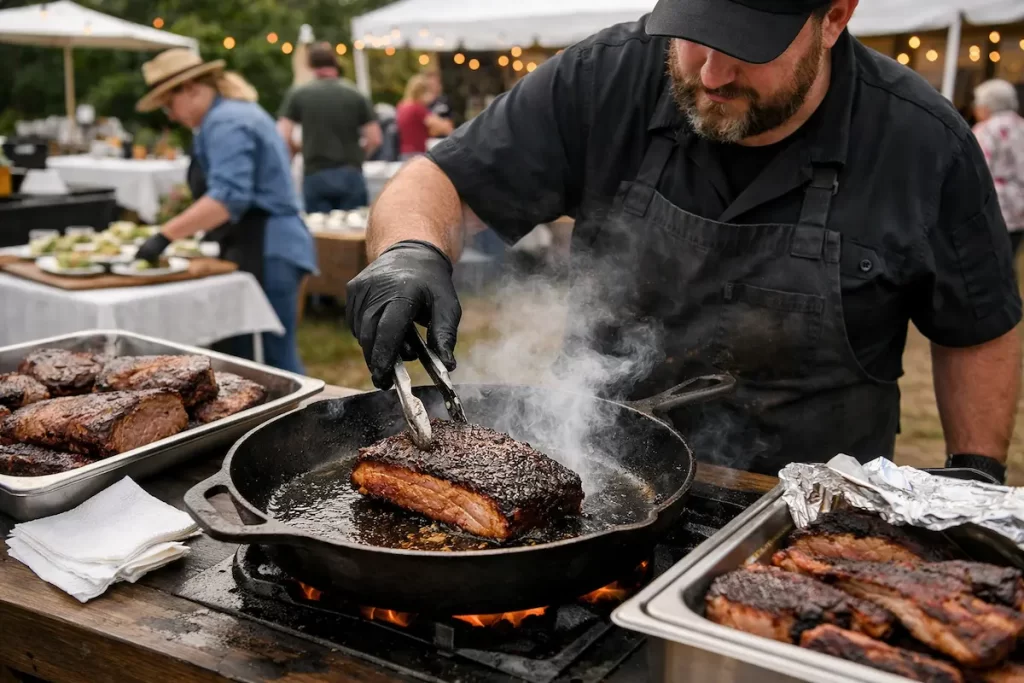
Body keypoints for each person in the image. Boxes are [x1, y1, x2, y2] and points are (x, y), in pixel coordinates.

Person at [346, 0, 1023, 483]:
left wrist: (975, 472)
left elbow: (978, 324)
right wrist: (411, 250)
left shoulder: (924, 143)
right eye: (695, 33)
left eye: (748, 47)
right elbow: (438, 180)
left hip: (805, 506)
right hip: (601, 477)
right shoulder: (607, 76)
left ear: (835, 17)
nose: (710, 74)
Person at [135, 49, 317, 375]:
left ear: (191, 88)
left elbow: (227, 198)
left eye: (168, 104)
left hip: (269, 246)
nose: (171, 115)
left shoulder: (227, 121)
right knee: (246, 358)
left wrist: (163, 236)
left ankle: (307, 420)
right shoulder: (230, 115)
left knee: (277, 360)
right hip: (262, 243)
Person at [277, 43, 382, 212]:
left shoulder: (299, 93)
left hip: (315, 172)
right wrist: (358, 155)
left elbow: (282, 135)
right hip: (350, 172)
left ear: (310, 65)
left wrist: (297, 149)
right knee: (353, 232)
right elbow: (374, 138)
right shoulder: (355, 93)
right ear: (335, 62)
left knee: (321, 233)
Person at [972, 79, 1024, 264]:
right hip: (1019, 207)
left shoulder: (985, 129)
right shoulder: (1021, 125)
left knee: (986, 262)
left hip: (993, 205)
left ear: (987, 106)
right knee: (1009, 260)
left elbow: (976, 169)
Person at [396, 75, 454, 159]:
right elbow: (445, 128)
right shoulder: (417, 108)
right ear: (422, 92)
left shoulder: (401, 106)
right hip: (416, 154)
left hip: (404, 153)